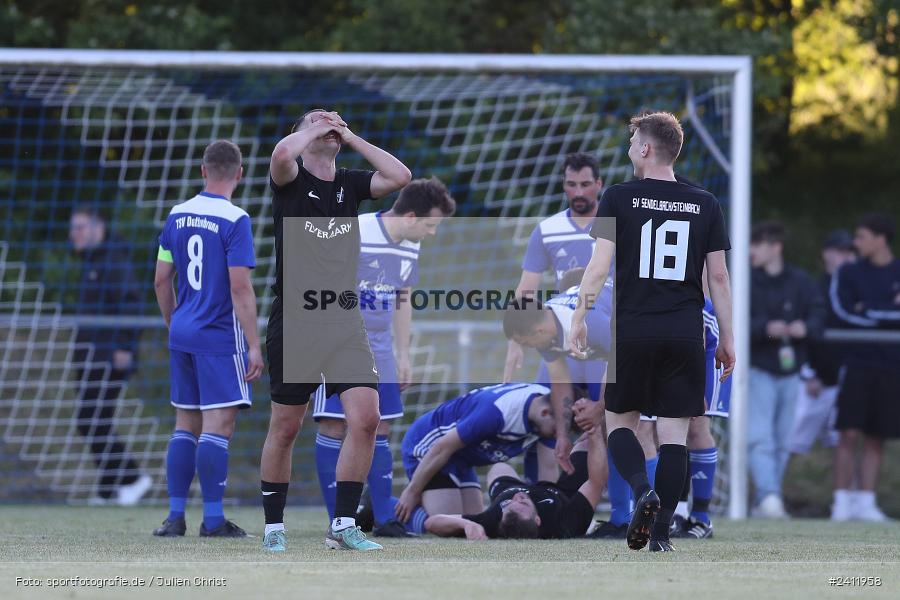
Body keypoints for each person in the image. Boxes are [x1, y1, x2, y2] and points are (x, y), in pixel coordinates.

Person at [569, 111, 735, 552]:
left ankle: (643, 489)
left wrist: (579, 317)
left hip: (634, 330)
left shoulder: (619, 197)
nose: (628, 151)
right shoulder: (705, 203)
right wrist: (730, 340)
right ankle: (661, 535)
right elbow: (718, 278)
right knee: (675, 434)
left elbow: (599, 266)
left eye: (631, 143)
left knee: (619, 422)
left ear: (645, 148)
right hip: (686, 333)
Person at [260, 109, 411, 552]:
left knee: (367, 418)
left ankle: (343, 525)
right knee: (286, 426)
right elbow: (280, 152)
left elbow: (399, 175)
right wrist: (310, 130)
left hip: (344, 317)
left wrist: (350, 135)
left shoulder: (349, 180)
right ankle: (273, 528)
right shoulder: (288, 175)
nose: (327, 123)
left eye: (333, 120)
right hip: (296, 318)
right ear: (302, 134)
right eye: (316, 120)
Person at [312, 177, 455, 537]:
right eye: (430, 225)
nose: (432, 234)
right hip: (338, 341)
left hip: (380, 348)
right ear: (410, 216)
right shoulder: (355, 230)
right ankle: (338, 521)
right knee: (334, 424)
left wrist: (403, 354)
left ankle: (384, 520)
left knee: (381, 425)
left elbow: (403, 299)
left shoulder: (410, 245)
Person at [152, 140, 263, 537]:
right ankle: (213, 520)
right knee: (218, 426)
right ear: (239, 174)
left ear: (202, 171)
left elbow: (162, 279)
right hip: (218, 336)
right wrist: (253, 343)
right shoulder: (236, 220)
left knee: (185, 423)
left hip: (182, 332)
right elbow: (240, 287)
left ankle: (174, 517)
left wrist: (174, 322)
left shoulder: (177, 215)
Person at [69, 207, 151, 505]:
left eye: (79, 227)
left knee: (91, 419)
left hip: (108, 356)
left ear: (96, 226)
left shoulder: (114, 260)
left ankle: (132, 478)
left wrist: (124, 347)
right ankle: (109, 489)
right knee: (94, 419)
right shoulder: (93, 261)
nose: (73, 234)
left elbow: (132, 304)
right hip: (90, 355)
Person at [394, 383, 557, 524]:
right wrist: (412, 491)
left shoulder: (549, 416)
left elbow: (548, 470)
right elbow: (442, 447)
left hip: (461, 457)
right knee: (452, 526)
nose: (560, 435)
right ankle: (385, 510)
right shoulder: (496, 412)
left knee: (473, 522)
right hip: (429, 446)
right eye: (558, 430)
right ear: (545, 413)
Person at [748, 221, 825, 518]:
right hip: (757, 369)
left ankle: (766, 501)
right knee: (760, 437)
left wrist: (804, 327)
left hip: (791, 371)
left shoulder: (801, 281)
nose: (751, 251)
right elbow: (738, 317)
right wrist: (766, 328)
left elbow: (819, 313)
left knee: (782, 440)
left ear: (775, 247)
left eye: (757, 245)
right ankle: (769, 496)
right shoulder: (748, 281)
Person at [829, 213, 900, 522]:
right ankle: (841, 503)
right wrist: (886, 311)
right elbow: (842, 312)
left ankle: (866, 502)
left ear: (880, 239)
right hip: (856, 363)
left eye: (861, 237)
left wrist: (868, 310)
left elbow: (863, 311)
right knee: (848, 434)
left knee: (876, 436)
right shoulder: (848, 272)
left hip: (891, 364)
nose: (855, 244)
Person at [424, 423, 608, 540]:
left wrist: (466, 524)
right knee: (589, 443)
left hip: (508, 485)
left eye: (508, 505)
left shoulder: (491, 524)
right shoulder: (565, 525)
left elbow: (432, 523)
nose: (517, 498)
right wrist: (595, 434)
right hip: (563, 493)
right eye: (522, 504)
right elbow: (596, 482)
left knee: (499, 467)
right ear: (537, 520)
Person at [789, 230, 856, 457]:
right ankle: (769, 490)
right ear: (827, 254)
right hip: (815, 379)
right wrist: (808, 372)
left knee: (845, 443)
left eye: (850, 252)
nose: (846, 257)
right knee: (790, 442)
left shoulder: (855, 291)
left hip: (845, 379)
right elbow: (802, 332)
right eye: (840, 251)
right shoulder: (813, 288)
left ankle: (847, 493)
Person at [671, 293, 732, 539]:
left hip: (706, 351)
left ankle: (701, 518)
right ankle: (678, 512)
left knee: (696, 426)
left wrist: (694, 386)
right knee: (669, 428)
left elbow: (696, 336)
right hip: (676, 350)